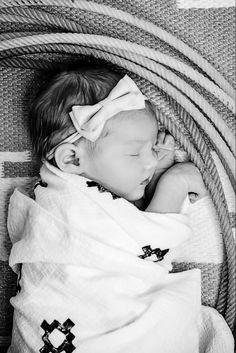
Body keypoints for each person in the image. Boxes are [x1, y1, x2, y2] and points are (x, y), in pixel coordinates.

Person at [7, 67, 233, 353]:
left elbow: (122, 232)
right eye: (134, 153)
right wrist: (173, 185)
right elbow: (148, 243)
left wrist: (158, 177)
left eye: (152, 147)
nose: (150, 162)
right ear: (72, 159)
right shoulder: (61, 207)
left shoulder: (76, 193)